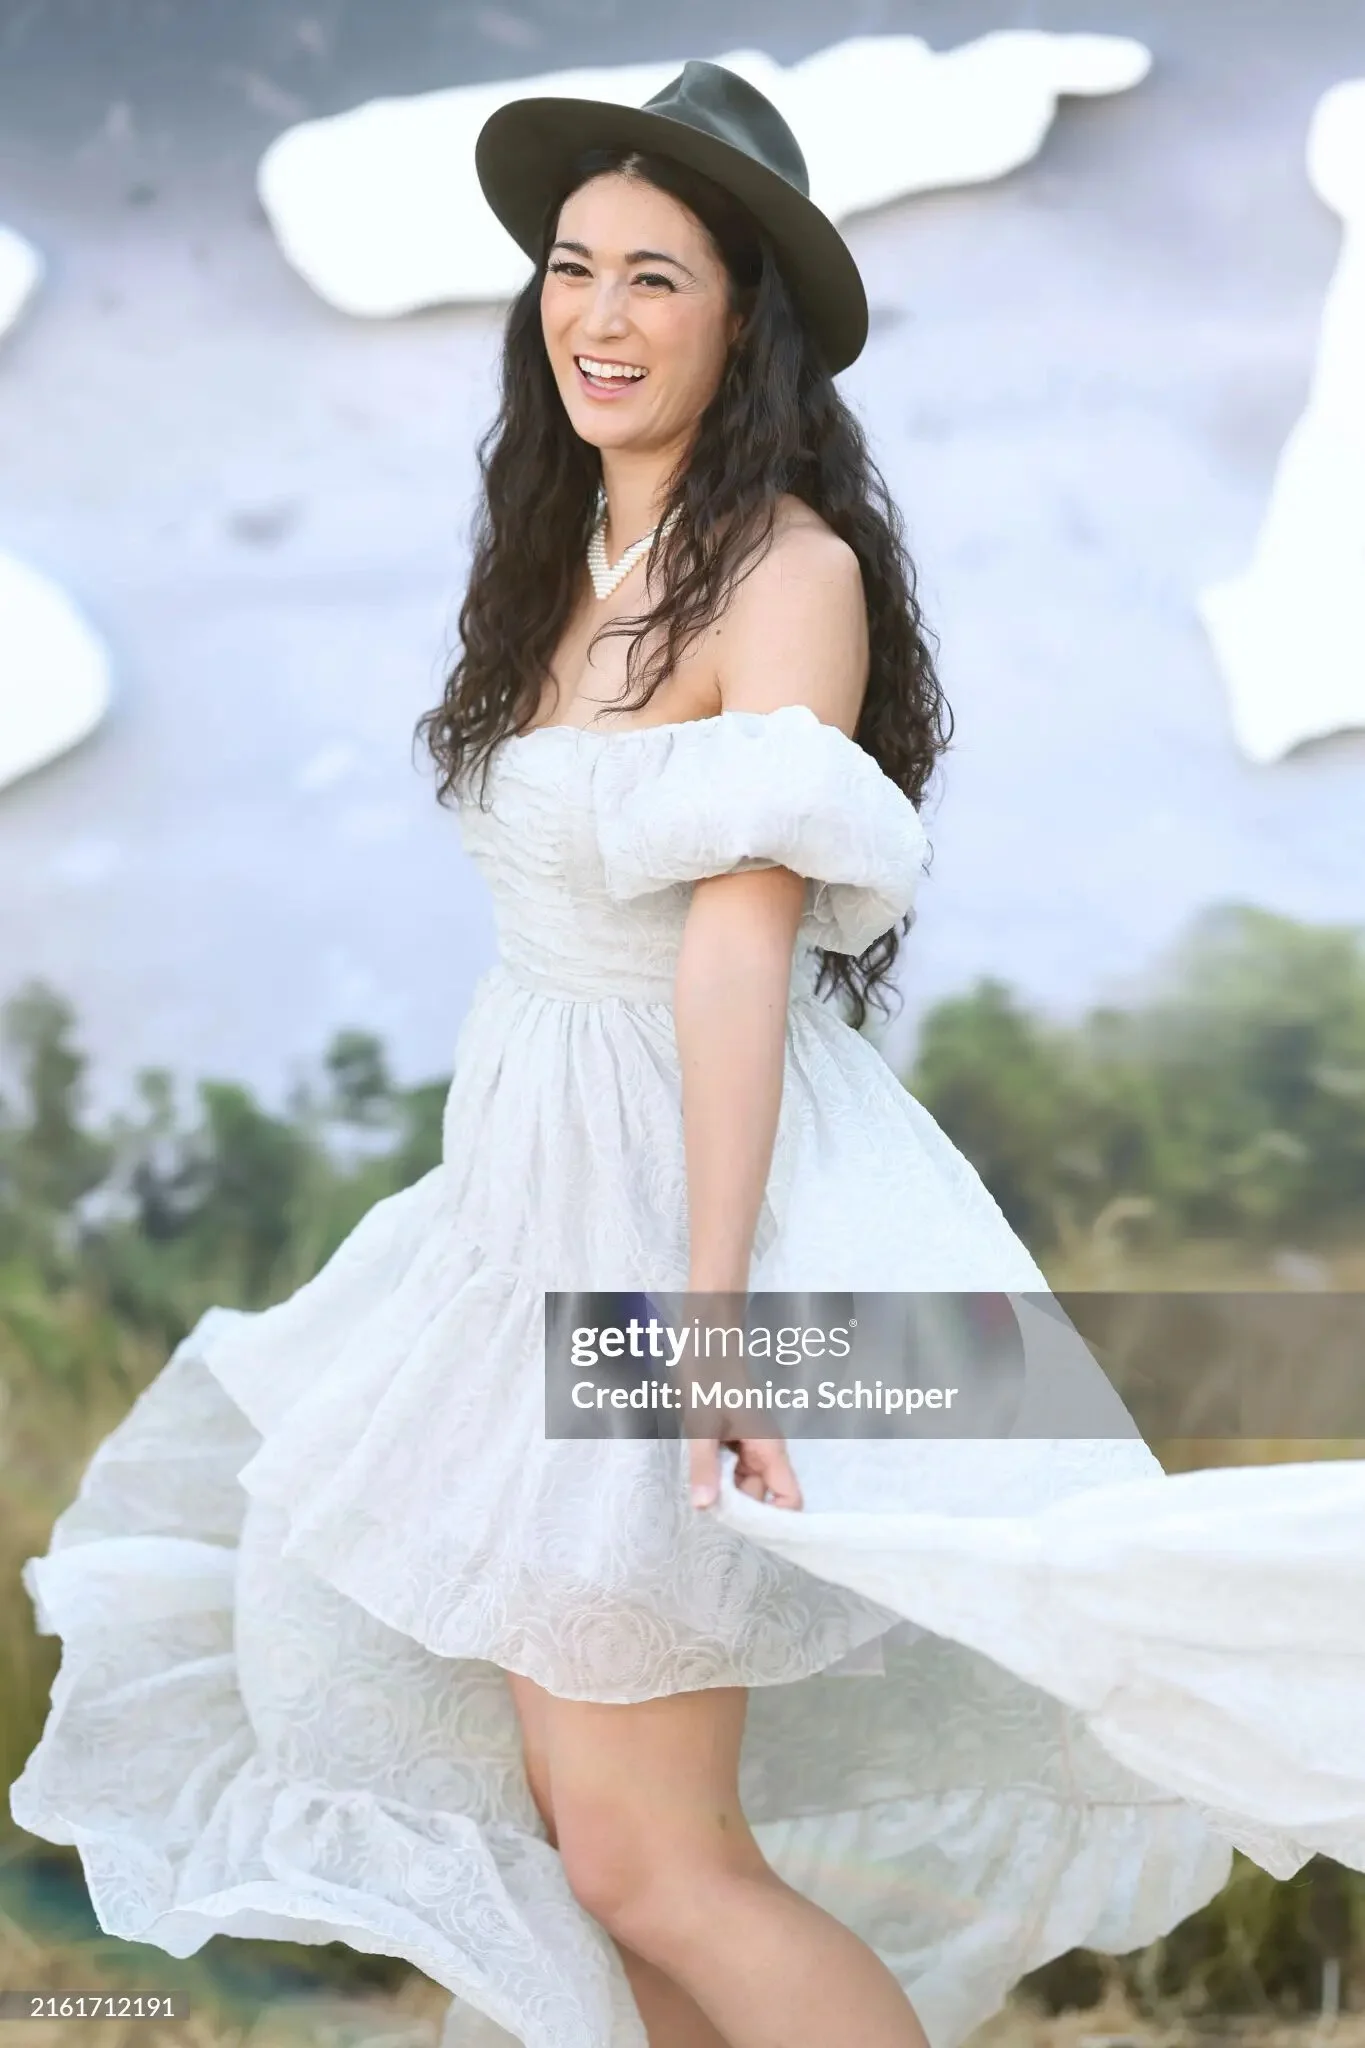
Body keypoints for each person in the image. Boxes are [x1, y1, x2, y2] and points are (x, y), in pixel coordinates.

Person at [12, 58, 1365, 2048]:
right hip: (529, 1208)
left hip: (681, 1214)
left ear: (747, 325)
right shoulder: (559, 557)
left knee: (661, 1858)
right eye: (573, 267)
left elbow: (735, 955)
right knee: (603, 1856)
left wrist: (714, 1327)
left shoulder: (787, 574)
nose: (598, 313)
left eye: (656, 277)